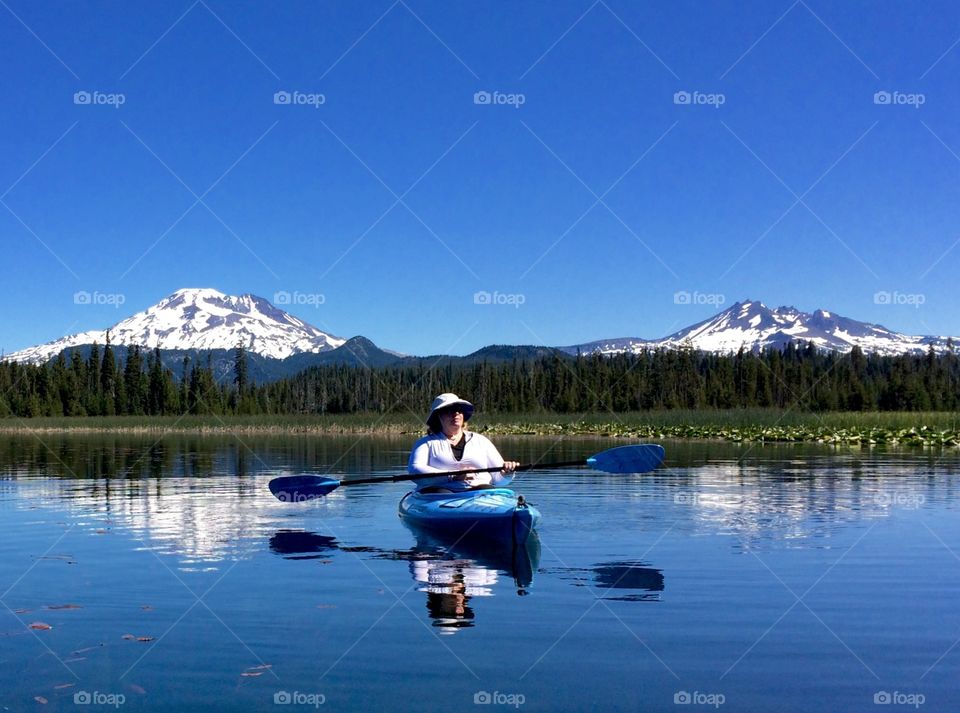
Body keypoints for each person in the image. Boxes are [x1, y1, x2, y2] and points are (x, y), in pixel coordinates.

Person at [407, 393, 518, 492]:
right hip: (439, 494)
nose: (456, 414)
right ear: (438, 416)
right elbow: (415, 469)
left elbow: (499, 481)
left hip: (480, 493)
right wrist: (453, 476)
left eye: (459, 410)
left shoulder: (481, 441)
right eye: (449, 410)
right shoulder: (425, 443)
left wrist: (507, 473)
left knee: (485, 489)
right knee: (441, 492)